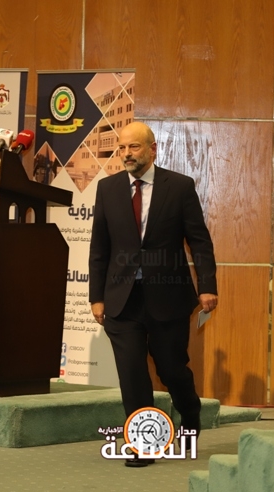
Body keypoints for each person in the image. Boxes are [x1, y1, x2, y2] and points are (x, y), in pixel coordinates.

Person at [89, 121, 217, 466]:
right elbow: (99, 247)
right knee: (132, 374)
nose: (126, 154)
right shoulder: (107, 189)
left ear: (152, 149)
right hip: (122, 299)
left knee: (171, 370)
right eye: (122, 148)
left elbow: (199, 242)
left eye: (133, 147)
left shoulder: (179, 186)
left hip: (168, 298)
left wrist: (207, 286)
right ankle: (144, 443)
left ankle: (190, 414)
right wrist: (96, 296)